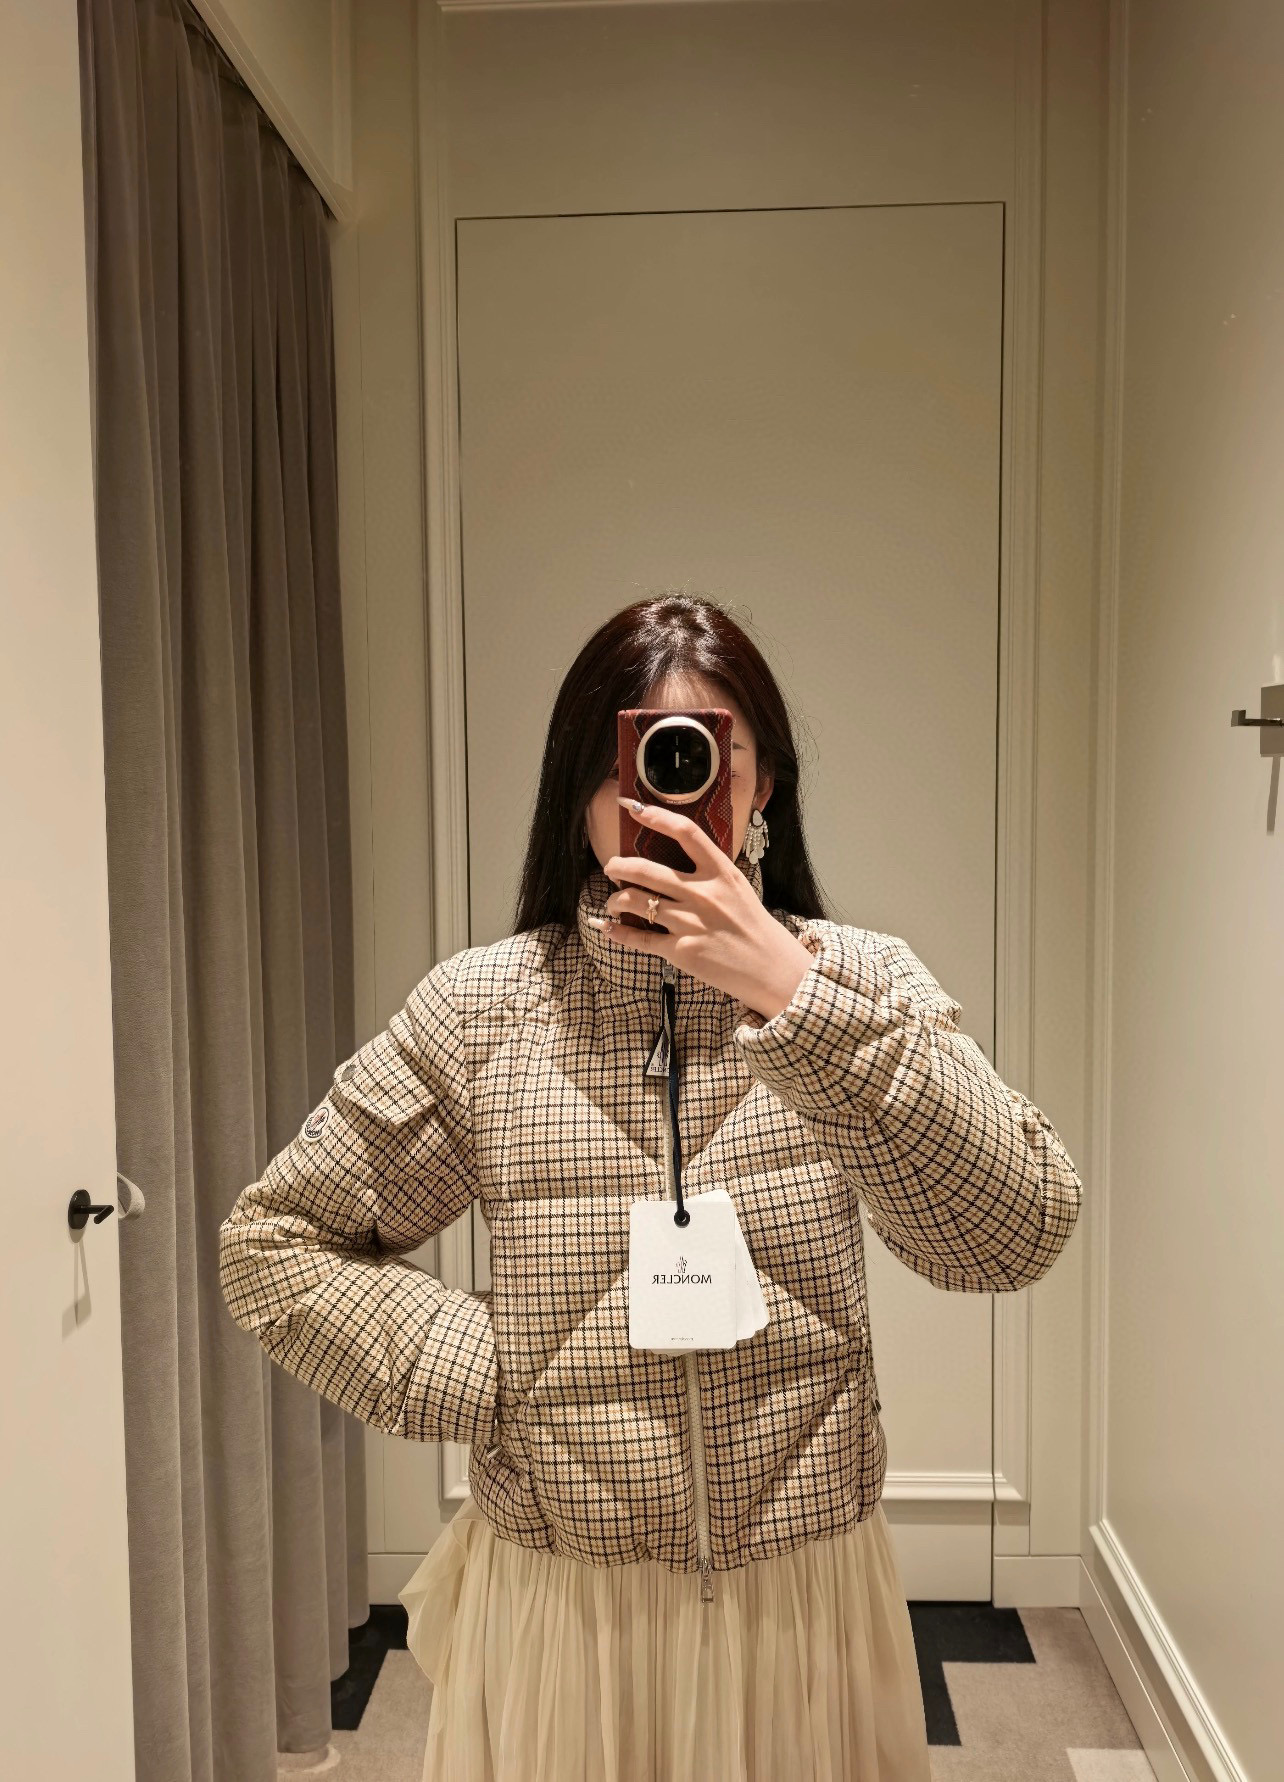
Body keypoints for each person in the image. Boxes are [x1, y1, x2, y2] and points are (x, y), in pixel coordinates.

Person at [219, 594, 1083, 1781]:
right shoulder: (483, 1012)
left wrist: (798, 998)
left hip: (806, 1598)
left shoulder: (861, 985)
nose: (668, 800)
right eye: (639, 761)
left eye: (705, 756)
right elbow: (273, 1243)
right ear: (583, 791)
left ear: (763, 783)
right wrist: (498, 1377)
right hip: (565, 1603)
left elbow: (1016, 1232)